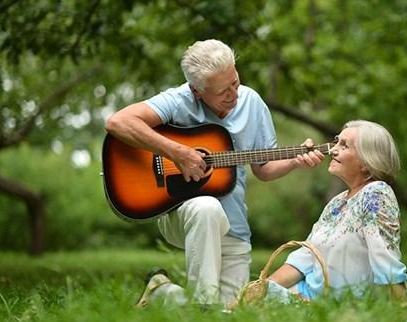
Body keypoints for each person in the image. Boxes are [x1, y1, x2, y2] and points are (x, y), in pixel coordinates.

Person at [105, 39, 324, 307]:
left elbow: (263, 169)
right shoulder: (178, 100)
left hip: (235, 226)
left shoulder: (251, 102)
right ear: (197, 92)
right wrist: (177, 152)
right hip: (183, 216)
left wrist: (294, 161)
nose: (233, 94)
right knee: (207, 208)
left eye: (235, 82)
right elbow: (118, 122)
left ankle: (163, 292)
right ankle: (203, 306)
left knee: (232, 313)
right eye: (223, 91)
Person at [266, 120, 407, 301]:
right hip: (304, 297)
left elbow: (387, 261)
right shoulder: (337, 202)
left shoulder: (376, 194)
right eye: (336, 142)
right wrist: (259, 290)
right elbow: (305, 258)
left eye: (344, 145)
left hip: (339, 306)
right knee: (245, 302)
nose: (332, 150)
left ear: (366, 161)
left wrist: (403, 313)